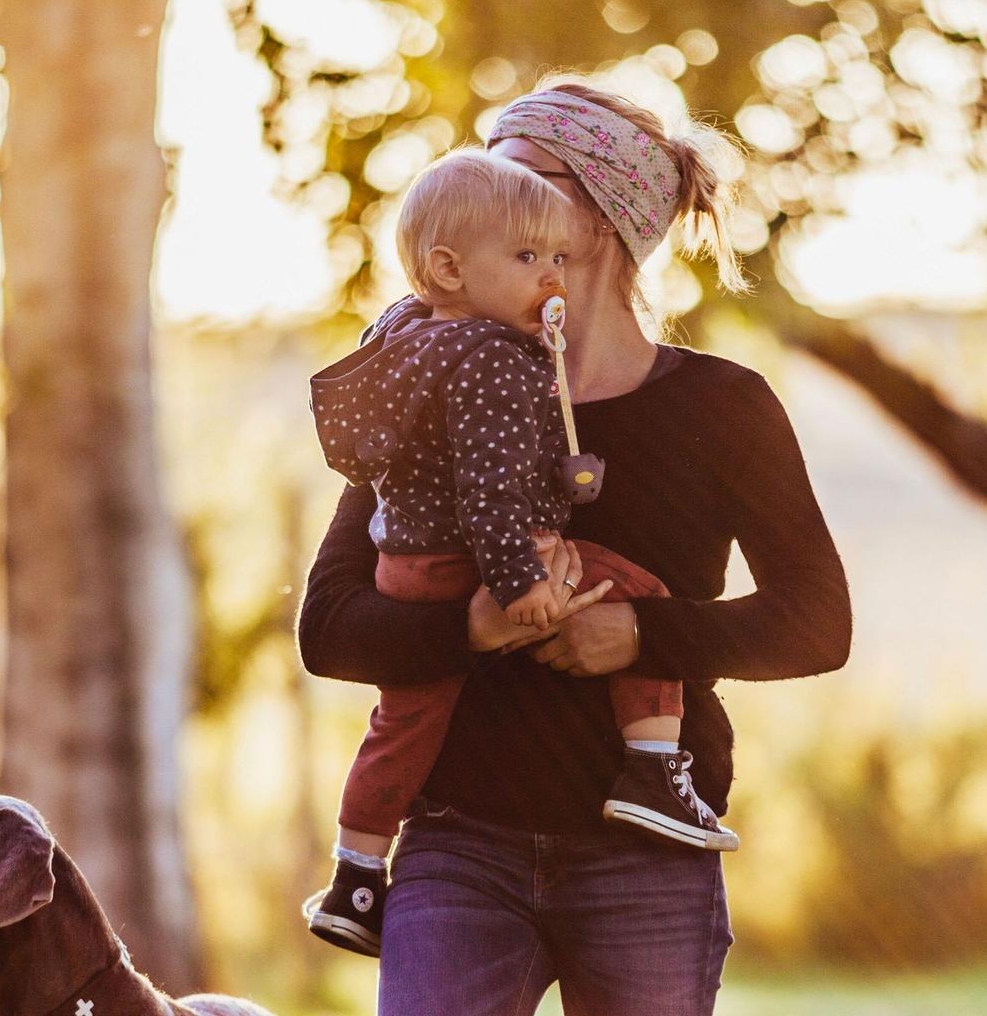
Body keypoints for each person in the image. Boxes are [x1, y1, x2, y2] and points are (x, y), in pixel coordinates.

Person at [297, 80, 853, 1016]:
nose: (471, 181)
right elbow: (330, 629)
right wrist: (469, 629)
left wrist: (640, 635)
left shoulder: (723, 406)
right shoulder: (433, 375)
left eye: (511, 170)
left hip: (649, 857)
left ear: (595, 222)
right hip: (455, 849)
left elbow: (816, 623)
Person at [302, 148, 737, 959]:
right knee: (637, 587)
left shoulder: (405, 337)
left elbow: (817, 620)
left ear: (608, 231)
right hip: (465, 819)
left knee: (399, 723)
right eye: (530, 255)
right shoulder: (498, 361)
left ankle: (356, 875)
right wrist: (514, 588)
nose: (551, 275)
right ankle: (650, 767)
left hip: (408, 560)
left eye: (558, 252)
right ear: (450, 267)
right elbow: (489, 495)